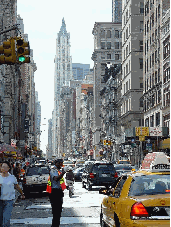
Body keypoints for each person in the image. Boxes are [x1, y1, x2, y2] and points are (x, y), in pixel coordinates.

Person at [0, 161, 25, 227]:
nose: (3, 168)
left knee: (6, 219)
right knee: (0, 220)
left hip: (9, 200)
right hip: (0, 200)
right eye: (2, 167)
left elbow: (17, 186)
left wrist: (22, 194)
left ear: (8, 168)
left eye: (5, 167)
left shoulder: (12, 177)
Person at [49, 159, 67, 227]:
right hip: (54, 192)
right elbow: (56, 178)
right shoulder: (53, 170)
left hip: (59, 192)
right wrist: (63, 172)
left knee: (59, 211)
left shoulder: (58, 170)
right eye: (60, 163)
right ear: (57, 163)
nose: (61, 165)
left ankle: (56, 225)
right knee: (56, 212)